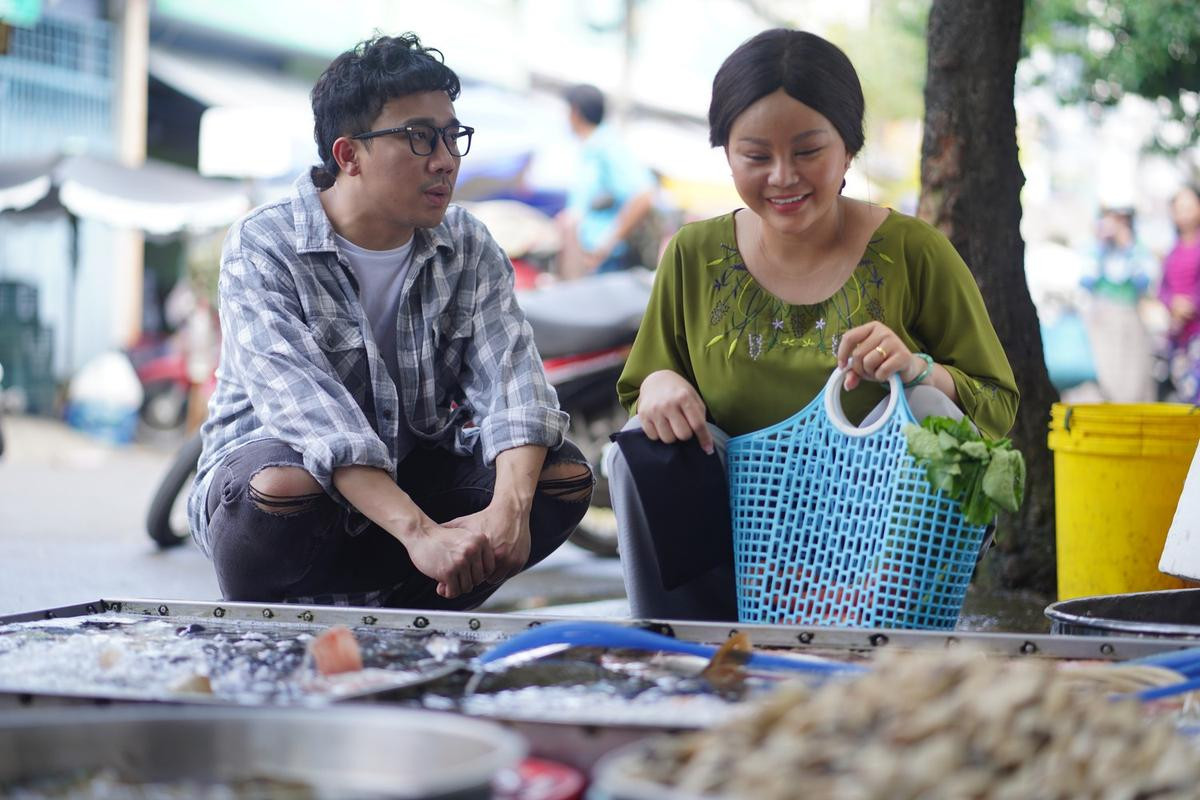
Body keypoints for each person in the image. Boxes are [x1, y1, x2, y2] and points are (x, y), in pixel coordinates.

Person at [605, 29, 1018, 621]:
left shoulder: (913, 250)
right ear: (727, 154)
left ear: (848, 149)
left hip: (880, 555)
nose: (782, 176)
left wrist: (918, 369)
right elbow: (641, 385)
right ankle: (685, 649)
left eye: (807, 151)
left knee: (930, 409)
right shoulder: (693, 254)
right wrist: (659, 386)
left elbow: (996, 408)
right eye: (756, 155)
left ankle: (891, 647)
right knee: (641, 447)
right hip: (733, 548)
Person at [187, 34, 593, 610]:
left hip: (411, 484)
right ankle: (278, 619)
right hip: (289, 501)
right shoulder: (264, 245)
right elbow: (314, 421)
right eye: (419, 137)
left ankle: (422, 616)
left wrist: (508, 512)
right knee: (285, 487)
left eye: (453, 136)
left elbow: (515, 386)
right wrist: (420, 533)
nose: (445, 159)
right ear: (348, 154)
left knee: (560, 478)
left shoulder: (469, 245)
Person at [556, 84, 657, 278]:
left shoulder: (607, 147)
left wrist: (606, 245)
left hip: (604, 265)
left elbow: (644, 195)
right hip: (586, 258)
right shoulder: (592, 149)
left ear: (575, 112)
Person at [1078, 206, 1157, 402]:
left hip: (1131, 315)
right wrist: (1100, 247)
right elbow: (1086, 282)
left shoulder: (1137, 249)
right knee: (1108, 370)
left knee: (1134, 372)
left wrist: (1128, 248)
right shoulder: (1094, 249)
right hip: (1103, 317)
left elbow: (1144, 283)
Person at [1159, 185, 1200, 402]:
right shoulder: (1172, 251)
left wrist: (1191, 304)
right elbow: (1163, 288)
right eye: (1179, 208)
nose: (1184, 213)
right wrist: (1172, 304)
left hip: (1197, 331)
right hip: (1179, 334)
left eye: (1189, 206)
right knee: (1184, 391)